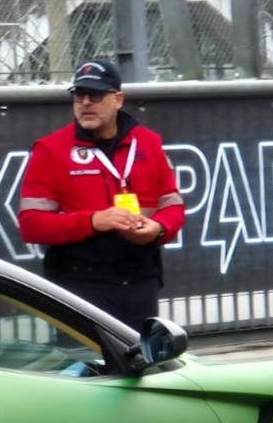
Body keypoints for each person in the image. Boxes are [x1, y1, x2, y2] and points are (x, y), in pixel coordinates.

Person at [17, 57, 185, 333]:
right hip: (79, 285)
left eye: (95, 95)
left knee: (141, 365)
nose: (85, 103)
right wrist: (93, 221)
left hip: (140, 281)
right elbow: (31, 224)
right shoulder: (51, 149)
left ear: (118, 99)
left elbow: (174, 207)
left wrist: (158, 229)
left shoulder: (148, 143)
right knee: (88, 370)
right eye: (79, 95)